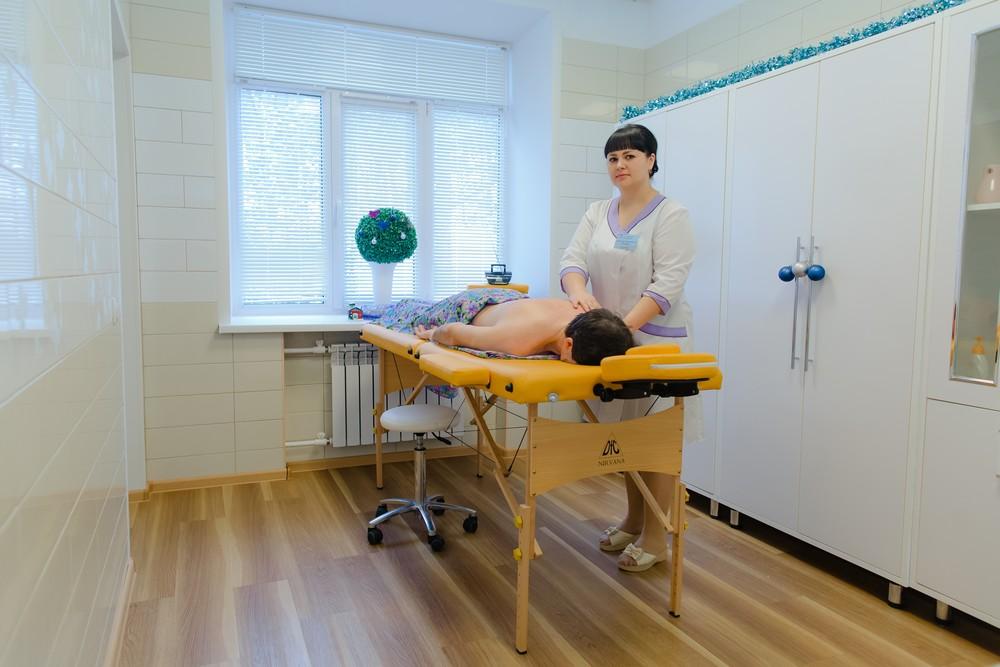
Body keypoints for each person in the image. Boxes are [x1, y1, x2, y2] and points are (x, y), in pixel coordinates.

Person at [559, 123, 701, 573]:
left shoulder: (671, 215)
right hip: (612, 343)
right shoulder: (597, 212)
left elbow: (668, 283)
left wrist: (621, 327)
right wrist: (578, 292)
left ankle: (657, 536)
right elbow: (572, 261)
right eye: (613, 158)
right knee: (625, 437)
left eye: (630, 156)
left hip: (655, 343)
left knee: (655, 443)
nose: (620, 165)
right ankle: (634, 520)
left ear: (651, 160)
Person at [375, 287, 633, 364]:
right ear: (568, 344)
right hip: (469, 307)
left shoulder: (591, 315)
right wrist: (432, 333)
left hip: (510, 302)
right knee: (408, 313)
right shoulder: (518, 340)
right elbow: (452, 332)